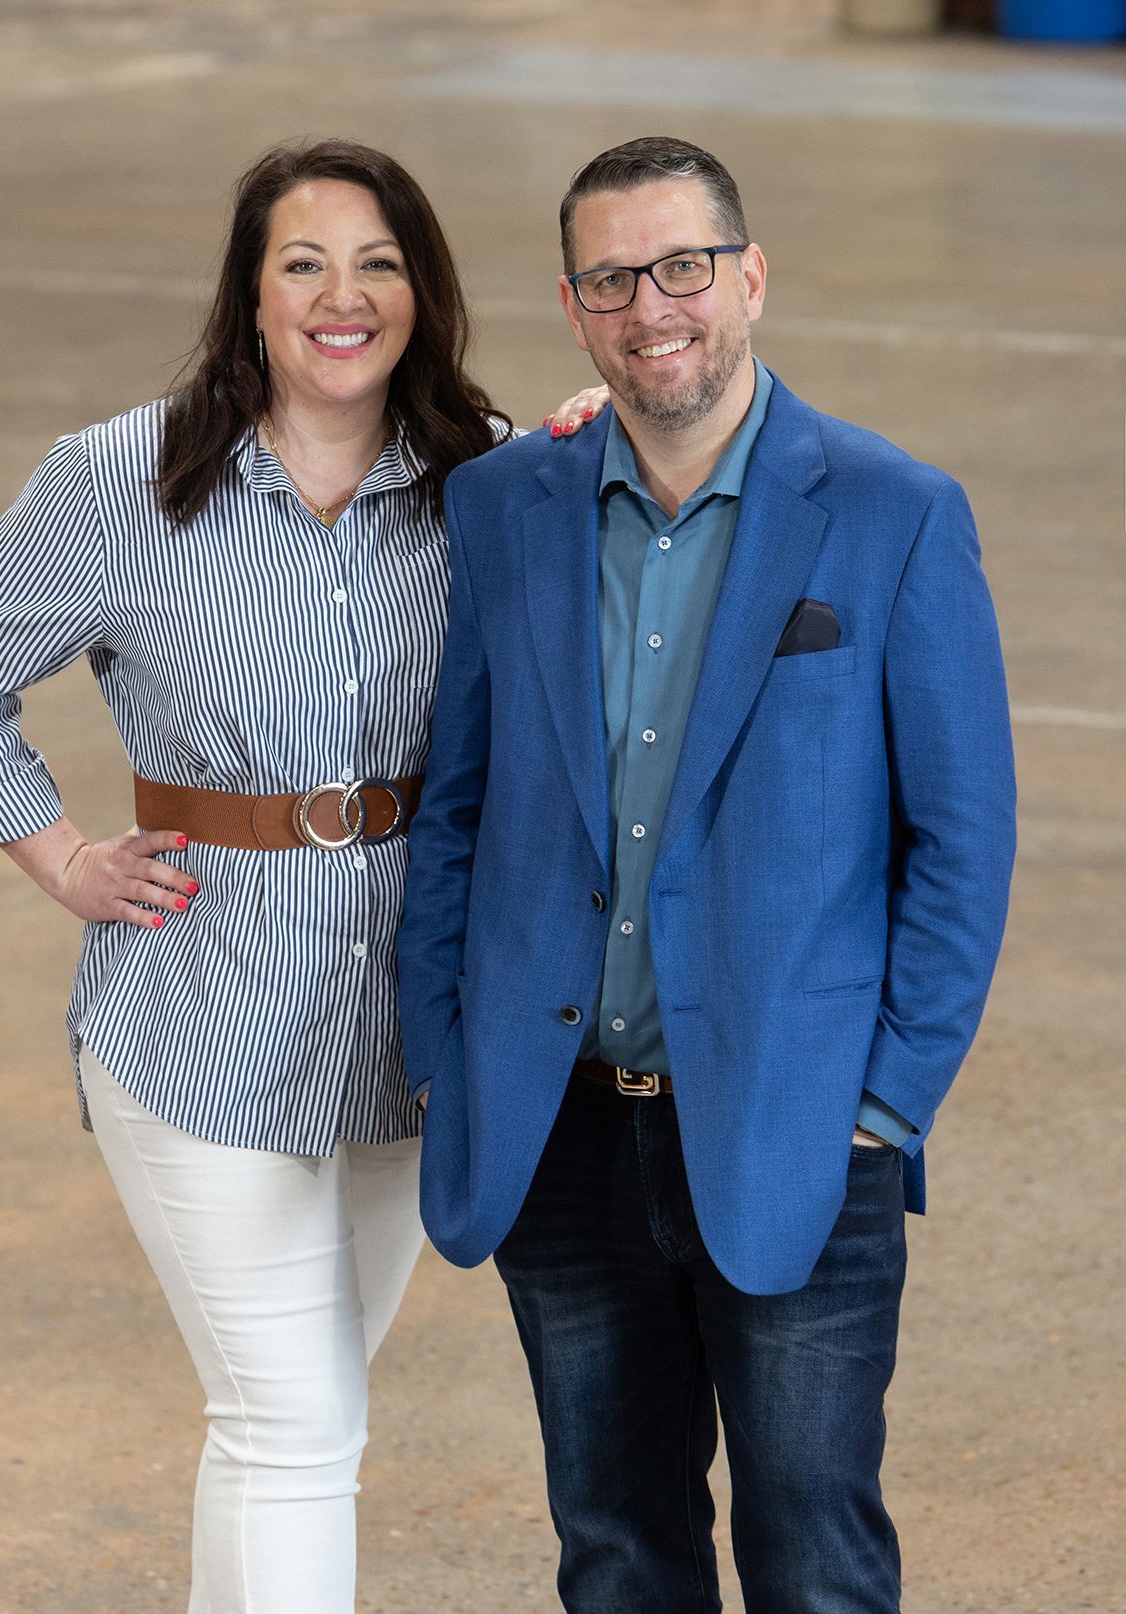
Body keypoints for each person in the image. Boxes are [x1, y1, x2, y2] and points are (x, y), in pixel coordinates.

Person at [0, 137, 603, 1614]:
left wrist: (597, 454)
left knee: (285, 1422)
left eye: (380, 263)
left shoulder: (492, 483)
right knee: (299, 1423)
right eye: (304, 262)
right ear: (250, 296)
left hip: (416, 1019)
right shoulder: (118, 481)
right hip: (202, 1017)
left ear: (423, 294)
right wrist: (62, 853)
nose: (345, 296)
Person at [398, 135, 1016, 1612]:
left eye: (681, 266)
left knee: (812, 1556)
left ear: (749, 277)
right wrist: (448, 1058)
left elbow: (961, 839)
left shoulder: (890, 511)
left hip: (800, 1135)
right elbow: (456, 807)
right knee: (614, 1551)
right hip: (556, 1134)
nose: (649, 306)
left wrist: (882, 1101)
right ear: (571, 304)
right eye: (611, 278)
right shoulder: (504, 505)